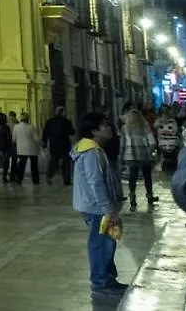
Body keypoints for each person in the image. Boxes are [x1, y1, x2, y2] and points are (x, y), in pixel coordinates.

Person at [72, 111, 126, 298]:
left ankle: (108, 278)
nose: (109, 127)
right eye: (105, 125)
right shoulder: (91, 151)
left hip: (98, 206)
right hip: (98, 208)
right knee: (101, 244)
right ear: (94, 130)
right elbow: (96, 182)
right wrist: (108, 209)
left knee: (108, 242)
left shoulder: (93, 148)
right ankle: (101, 282)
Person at [120, 108, 158, 209]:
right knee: (147, 177)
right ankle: (150, 196)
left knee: (132, 178)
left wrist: (121, 157)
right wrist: (150, 152)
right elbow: (152, 142)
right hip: (145, 155)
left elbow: (122, 144)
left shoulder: (125, 128)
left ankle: (132, 198)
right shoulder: (145, 127)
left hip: (130, 155)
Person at [42, 106, 75, 186]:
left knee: (54, 160)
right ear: (62, 112)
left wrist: (44, 142)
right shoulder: (66, 121)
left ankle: (49, 176)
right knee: (66, 162)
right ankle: (66, 180)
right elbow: (72, 132)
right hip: (64, 144)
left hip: (54, 144)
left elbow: (45, 132)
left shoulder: (49, 121)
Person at [11, 112, 41, 184]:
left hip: (21, 149)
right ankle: (35, 179)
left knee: (21, 164)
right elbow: (36, 139)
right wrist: (41, 144)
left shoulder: (16, 127)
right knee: (34, 165)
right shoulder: (31, 127)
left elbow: (14, 139)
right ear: (27, 119)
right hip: (32, 148)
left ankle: (19, 178)